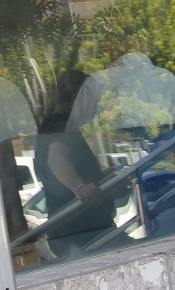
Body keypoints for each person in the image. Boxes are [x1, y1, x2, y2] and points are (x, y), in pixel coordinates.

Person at [36, 70, 119, 255]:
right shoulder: (60, 125)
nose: (96, 107)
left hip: (83, 230)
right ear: (77, 97)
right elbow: (56, 158)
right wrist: (80, 187)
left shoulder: (60, 126)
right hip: (80, 234)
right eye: (93, 99)